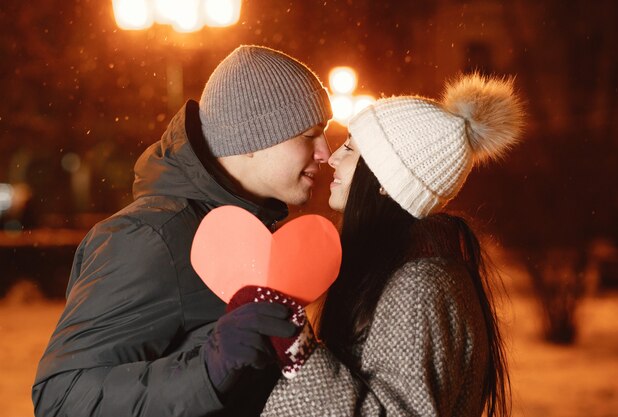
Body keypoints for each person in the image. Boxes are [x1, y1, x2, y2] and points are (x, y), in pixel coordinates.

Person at [32, 45, 333, 416]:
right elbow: (62, 397)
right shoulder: (151, 237)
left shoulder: (255, 231)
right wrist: (206, 370)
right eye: (309, 134)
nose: (326, 152)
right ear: (253, 139)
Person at [261, 73, 524, 416]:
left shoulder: (420, 287)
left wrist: (295, 346)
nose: (333, 157)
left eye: (351, 148)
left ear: (385, 180)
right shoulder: (401, 273)